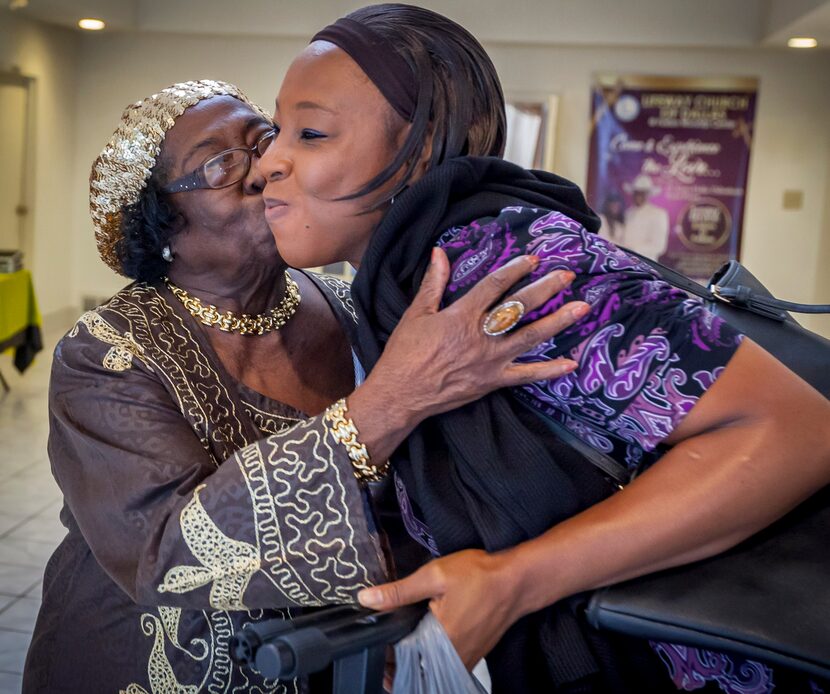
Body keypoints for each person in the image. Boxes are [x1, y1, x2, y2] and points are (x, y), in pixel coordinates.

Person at [257, 5, 830, 693]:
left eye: (311, 133)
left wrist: (513, 581)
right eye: (275, 131)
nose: (267, 164)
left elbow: (798, 430)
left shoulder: (500, 261)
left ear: (425, 142)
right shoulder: (398, 291)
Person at [22, 80, 586, 693]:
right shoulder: (108, 351)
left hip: (334, 660)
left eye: (264, 141)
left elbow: (423, 487)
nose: (265, 170)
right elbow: (168, 552)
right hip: (145, 663)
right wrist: (390, 400)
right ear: (162, 227)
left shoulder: (352, 307)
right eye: (220, 165)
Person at [622, 174, 670, 260]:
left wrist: (632, 250)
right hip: (625, 262)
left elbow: (659, 246)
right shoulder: (628, 213)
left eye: (642, 193)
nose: (638, 196)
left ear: (648, 194)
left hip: (646, 263)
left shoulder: (659, 214)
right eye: (636, 192)